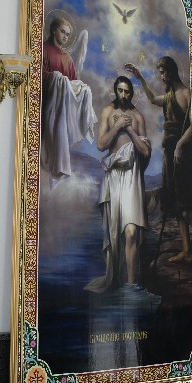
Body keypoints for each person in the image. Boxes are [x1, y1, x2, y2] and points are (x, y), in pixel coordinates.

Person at [85, 76, 151, 293]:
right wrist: (117, 126)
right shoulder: (107, 111)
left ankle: (131, 285)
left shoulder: (138, 116)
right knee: (114, 235)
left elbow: (145, 151)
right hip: (113, 175)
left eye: (127, 91)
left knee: (131, 231)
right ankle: (115, 280)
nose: (123, 95)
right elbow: (101, 144)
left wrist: (130, 130)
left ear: (132, 93)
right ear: (115, 91)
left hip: (132, 176)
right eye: (120, 91)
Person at [125, 57, 192, 263]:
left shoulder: (187, 94)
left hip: (181, 153)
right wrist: (140, 78)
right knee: (175, 202)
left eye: (164, 72)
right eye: (160, 73)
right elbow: (153, 99)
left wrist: (180, 145)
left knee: (185, 202)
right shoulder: (170, 96)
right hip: (169, 154)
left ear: (171, 71)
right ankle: (186, 251)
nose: (162, 77)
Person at [40, 18, 96, 188]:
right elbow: (38, 75)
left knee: (84, 89)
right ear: (54, 30)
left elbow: (73, 84)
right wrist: (56, 78)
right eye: (63, 32)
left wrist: (82, 90)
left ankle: (59, 171)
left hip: (62, 108)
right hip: (47, 105)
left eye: (68, 34)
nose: (65, 36)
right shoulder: (43, 50)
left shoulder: (67, 58)